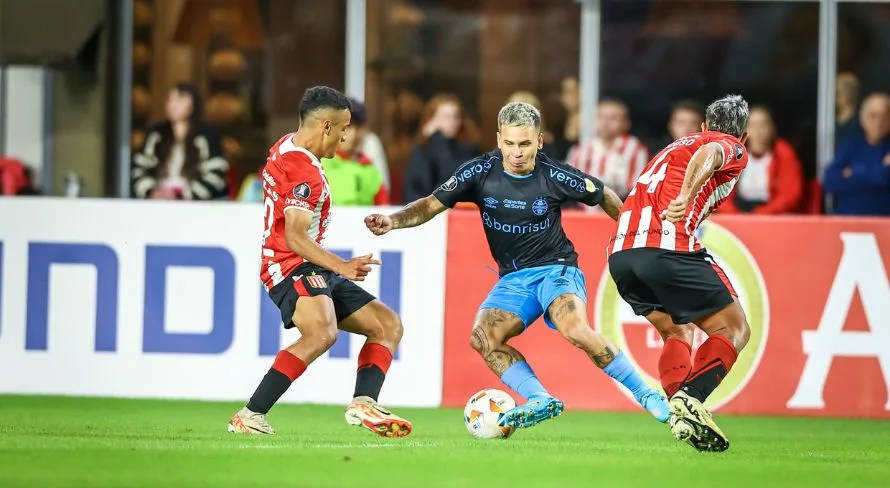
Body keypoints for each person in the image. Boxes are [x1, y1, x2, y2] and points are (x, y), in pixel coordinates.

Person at [365, 102, 669, 431]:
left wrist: (633, 237)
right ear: (498, 139)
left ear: (539, 141)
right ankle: (540, 398)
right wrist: (392, 220)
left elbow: (605, 195)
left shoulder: (555, 174)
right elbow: (430, 204)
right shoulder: (478, 172)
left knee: (576, 330)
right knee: (483, 337)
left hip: (557, 270)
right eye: (509, 144)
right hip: (514, 278)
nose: (516, 153)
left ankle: (646, 394)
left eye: (525, 144)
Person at [227, 86, 412, 438]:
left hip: (308, 264)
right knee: (322, 333)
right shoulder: (305, 173)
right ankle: (250, 414)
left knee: (387, 325)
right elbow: (295, 236)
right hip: (288, 264)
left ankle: (364, 403)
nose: (344, 139)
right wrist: (342, 266)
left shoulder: (285, 145)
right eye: (342, 129)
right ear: (326, 126)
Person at [606, 94, 751, 453]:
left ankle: (678, 410)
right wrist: (687, 195)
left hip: (621, 252)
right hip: (667, 246)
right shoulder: (729, 145)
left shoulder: (673, 147)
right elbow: (711, 154)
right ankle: (691, 397)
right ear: (743, 137)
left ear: (702, 124)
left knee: (676, 328)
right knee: (733, 329)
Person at [131, 83, 229, 200]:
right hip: (157, 203)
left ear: (193, 104)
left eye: (180, 100)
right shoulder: (157, 134)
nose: (173, 105)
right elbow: (138, 168)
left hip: (196, 205)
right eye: (170, 100)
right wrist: (150, 191)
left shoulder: (206, 136)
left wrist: (182, 196)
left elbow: (215, 175)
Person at [721, 106, 802, 215]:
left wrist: (760, 214)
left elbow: (789, 195)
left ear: (773, 129)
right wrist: (735, 215)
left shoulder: (783, 153)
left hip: (772, 214)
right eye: (753, 126)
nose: (758, 132)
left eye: (763, 125)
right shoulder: (734, 153)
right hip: (738, 212)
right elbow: (719, 192)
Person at [402, 93, 480, 202]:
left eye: (456, 116)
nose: (452, 121)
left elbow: (454, 179)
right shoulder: (422, 149)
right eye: (446, 117)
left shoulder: (468, 147)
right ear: (431, 119)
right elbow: (416, 187)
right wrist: (437, 139)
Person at [823, 92, 890, 216]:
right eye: (873, 116)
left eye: (884, 116)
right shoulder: (850, 147)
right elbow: (830, 181)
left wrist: (852, 171)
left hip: (884, 223)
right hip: (847, 222)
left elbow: (885, 179)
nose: (878, 122)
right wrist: (879, 169)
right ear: (863, 119)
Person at [321, 97, 389, 205]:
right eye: (347, 127)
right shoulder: (320, 165)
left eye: (358, 128)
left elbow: (383, 212)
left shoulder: (371, 171)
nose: (353, 135)